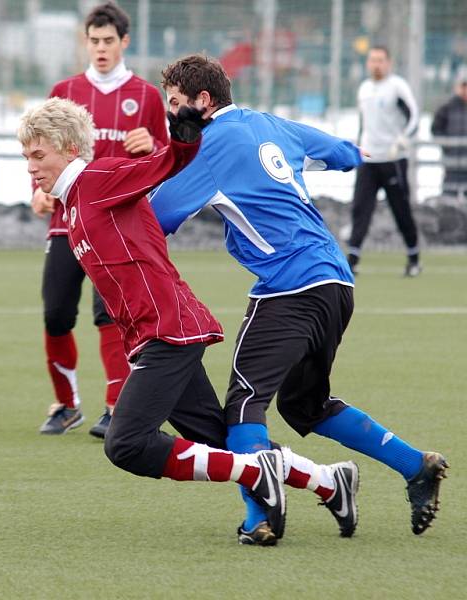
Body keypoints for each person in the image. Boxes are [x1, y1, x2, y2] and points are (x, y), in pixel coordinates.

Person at [19, 96, 370, 547]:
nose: (30, 165)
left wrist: (184, 137)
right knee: (223, 440)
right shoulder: (72, 203)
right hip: (156, 336)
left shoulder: (98, 178)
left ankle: (253, 472)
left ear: (69, 149)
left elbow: (167, 162)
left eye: (38, 154)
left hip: (169, 331)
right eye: (26, 156)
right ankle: (328, 480)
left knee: (125, 443)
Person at [150, 53, 448, 539]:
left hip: (290, 286)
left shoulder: (209, 145)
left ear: (202, 102)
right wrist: (356, 153)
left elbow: (158, 217)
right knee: (304, 406)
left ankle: (260, 518)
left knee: (244, 404)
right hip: (336, 282)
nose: (171, 116)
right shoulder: (268, 123)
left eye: (176, 105)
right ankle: (415, 464)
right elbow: (340, 152)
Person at [31, 2, 169, 438]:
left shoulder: (146, 96)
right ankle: (66, 404)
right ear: (85, 42)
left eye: (109, 41)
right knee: (56, 314)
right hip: (66, 221)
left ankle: (115, 406)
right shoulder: (64, 91)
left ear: (124, 42)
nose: (101, 48)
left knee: (109, 316)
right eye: (94, 41)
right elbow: (40, 149)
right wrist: (36, 188)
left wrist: (151, 144)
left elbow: (169, 160)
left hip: (117, 226)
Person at [347, 46, 422, 277]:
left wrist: (402, 140)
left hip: (393, 159)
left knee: (400, 210)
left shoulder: (397, 87)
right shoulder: (364, 89)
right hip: (369, 161)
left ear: (388, 63)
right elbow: (364, 124)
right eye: (372, 60)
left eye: (380, 60)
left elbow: (414, 116)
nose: (376, 64)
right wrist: (357, 149)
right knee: (361, 208)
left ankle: (413, 257)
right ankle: (352, 259)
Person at [431, 77, 467, 197]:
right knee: (449, 196)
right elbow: (435, 129)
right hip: (453, 163)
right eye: (463, 86)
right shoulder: (447, 107)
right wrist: (447, 146)